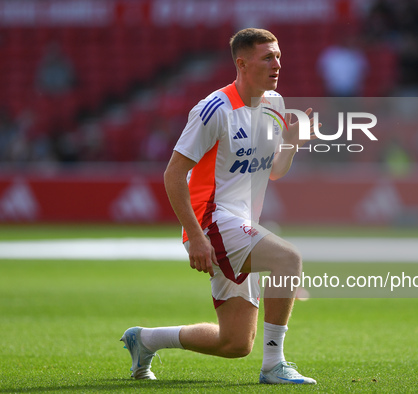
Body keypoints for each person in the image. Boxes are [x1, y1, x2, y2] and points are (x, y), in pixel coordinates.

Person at [120, 28, 317, 385]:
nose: (277, 64)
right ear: (241, 63)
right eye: (268, 57)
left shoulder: (274, 104)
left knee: (234, 343)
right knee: (288, 259)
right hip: (211, 220)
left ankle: (145, 339)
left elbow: (273, 172)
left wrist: (290, 143)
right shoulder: (214, 109)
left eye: (279, 56)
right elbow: (174, 174)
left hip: (239, 223)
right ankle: (275, 365)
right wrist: (195, 236)